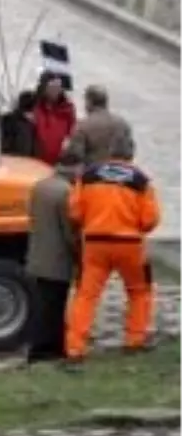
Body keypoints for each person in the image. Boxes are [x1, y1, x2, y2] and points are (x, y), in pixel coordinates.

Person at [65, 133, 159, 362]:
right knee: (139, 292)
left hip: (96, 244)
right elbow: (150, 219)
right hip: (130, 245)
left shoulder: (88, 176)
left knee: (86, 295)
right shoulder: (141, 180)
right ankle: (134, 340)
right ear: (131, 154)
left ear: (109, 152)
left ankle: (75, 347)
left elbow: (74, 212)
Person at [24, 142, 83, 363]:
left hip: (37, 255)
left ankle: (41, 348)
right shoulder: (66, 192)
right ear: (75, 167)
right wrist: (78, 253)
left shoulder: (39, 186)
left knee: (43, 305)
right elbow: (69, 231)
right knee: (55, 307)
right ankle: (49, 350)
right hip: (57, 261)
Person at [67, 84, 133, 166]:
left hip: (94, 174)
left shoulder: (84, 125)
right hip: (119, 173)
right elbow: (129, 152)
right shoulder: (122, 123)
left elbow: (73, 155)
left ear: (89, 102)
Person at [31, 71, 76, 167]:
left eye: (58, 87)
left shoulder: (67, 108)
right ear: (44, 88)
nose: (56, 90)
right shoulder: (34, 106)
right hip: (37, 159)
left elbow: (72, 130)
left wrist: (69, 142)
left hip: (59, 160)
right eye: (52, 87)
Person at [0, 90, 39, 158]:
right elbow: (6, 145)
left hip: (27, 162)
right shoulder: (12, 121)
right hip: (16, 161)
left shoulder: (31, 123)